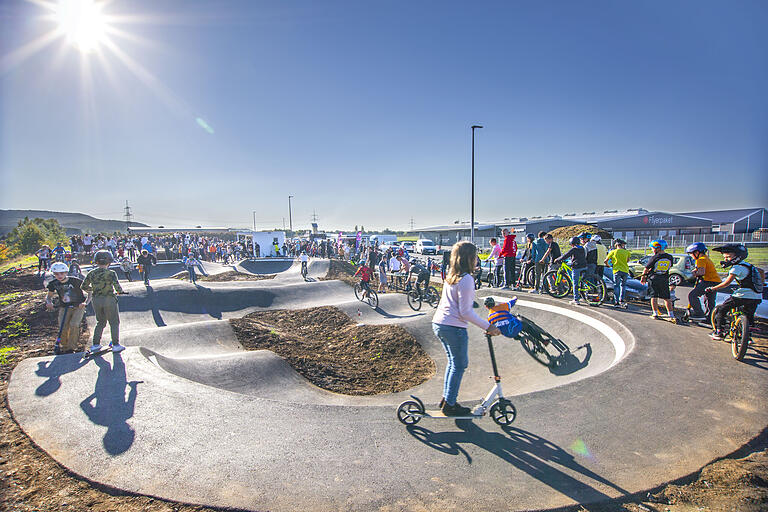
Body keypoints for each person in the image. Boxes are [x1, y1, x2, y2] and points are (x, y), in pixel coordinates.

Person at [432, 241, 501, 416]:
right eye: (475, 256)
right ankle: (450, 405)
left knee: (453, 363)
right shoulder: (467, 279)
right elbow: (466, 312)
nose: (477, 259)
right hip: (454, 327)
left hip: (440, 323)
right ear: (469, 258)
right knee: (460, 364)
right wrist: (489, 326)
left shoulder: (451, 276)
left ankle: (447, 399)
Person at [706, 244, 763, 340]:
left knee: (721, 310)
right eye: (725, 257)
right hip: (757, 296)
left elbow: (726, 283)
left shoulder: (736, 268)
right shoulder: (749, 265)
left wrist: (713, 288)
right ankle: (747, 337)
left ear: (738, 256)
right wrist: (761, 283)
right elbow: (761, 272)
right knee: (748, 315)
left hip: (742, 296)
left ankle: (719, 331)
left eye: (728, 257)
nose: (726, 259)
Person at [81, 250, 126, 353]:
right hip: (109, 299)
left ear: (96, 261)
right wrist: (120, 292)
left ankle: (96, 344)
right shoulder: (111, 273)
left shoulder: (91, 273)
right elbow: (117, 287)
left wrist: (93, 290)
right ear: (109, 262)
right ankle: (115, 344)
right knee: (114, 322)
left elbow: (83, 286)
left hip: (96, 300)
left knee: (100, 322)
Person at [45, 261, 87, 354]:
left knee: (74, 324)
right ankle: (64, 346)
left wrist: (85, 302)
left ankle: (72, 347)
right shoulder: (53, 283)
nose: (59, 276)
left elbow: (90, 291)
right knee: (63, 326)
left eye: (62, 273)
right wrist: (49, 302)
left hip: (78, 306)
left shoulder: (75, 281)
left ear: (66, 272)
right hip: (64, 307)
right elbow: (49, 296)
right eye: (56, 274)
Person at [640, 240, 677, 321]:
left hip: (654, 279)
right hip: (664, 278)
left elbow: (646, 268)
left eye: (653, 248)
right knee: (667, 298)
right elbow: (669, 266)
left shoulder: (654, 257)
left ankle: (655, 313)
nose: (652, 250)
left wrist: (643, 277)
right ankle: (671, 314)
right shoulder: (669, 257)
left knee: (654, 297)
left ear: (658, 248)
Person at [684, 242, 721, 322]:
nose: (691, 256)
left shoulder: (700, 260)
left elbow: (701, 272)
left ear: (696, 252)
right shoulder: (706, 258)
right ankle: (709, 318)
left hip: (709, 281)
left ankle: (699, 314)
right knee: (709, 300)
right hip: (716, 281)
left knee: (692, 295)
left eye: (691, 254)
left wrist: (694, 273)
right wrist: (696, 270)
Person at [554, 236, 587, 305]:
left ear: (572, 243)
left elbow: (566, 255)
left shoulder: (574, 249)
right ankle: (584, 296)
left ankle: (576, 300)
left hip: (577, 267)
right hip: (584, 266)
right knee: (581, 282)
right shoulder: (582, 248)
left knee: (575, 283)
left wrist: (557, 259)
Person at [605, 239, 631, 308]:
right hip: (625, 270)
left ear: (616, 245)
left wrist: (608, 265)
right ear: (622, 245)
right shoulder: (627, 252)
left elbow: (606, 260)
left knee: (616, 285)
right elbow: (627, 261)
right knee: (623, 285)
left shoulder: (613, 252)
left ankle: (616, 301)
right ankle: (621, 299)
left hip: (616, 270)